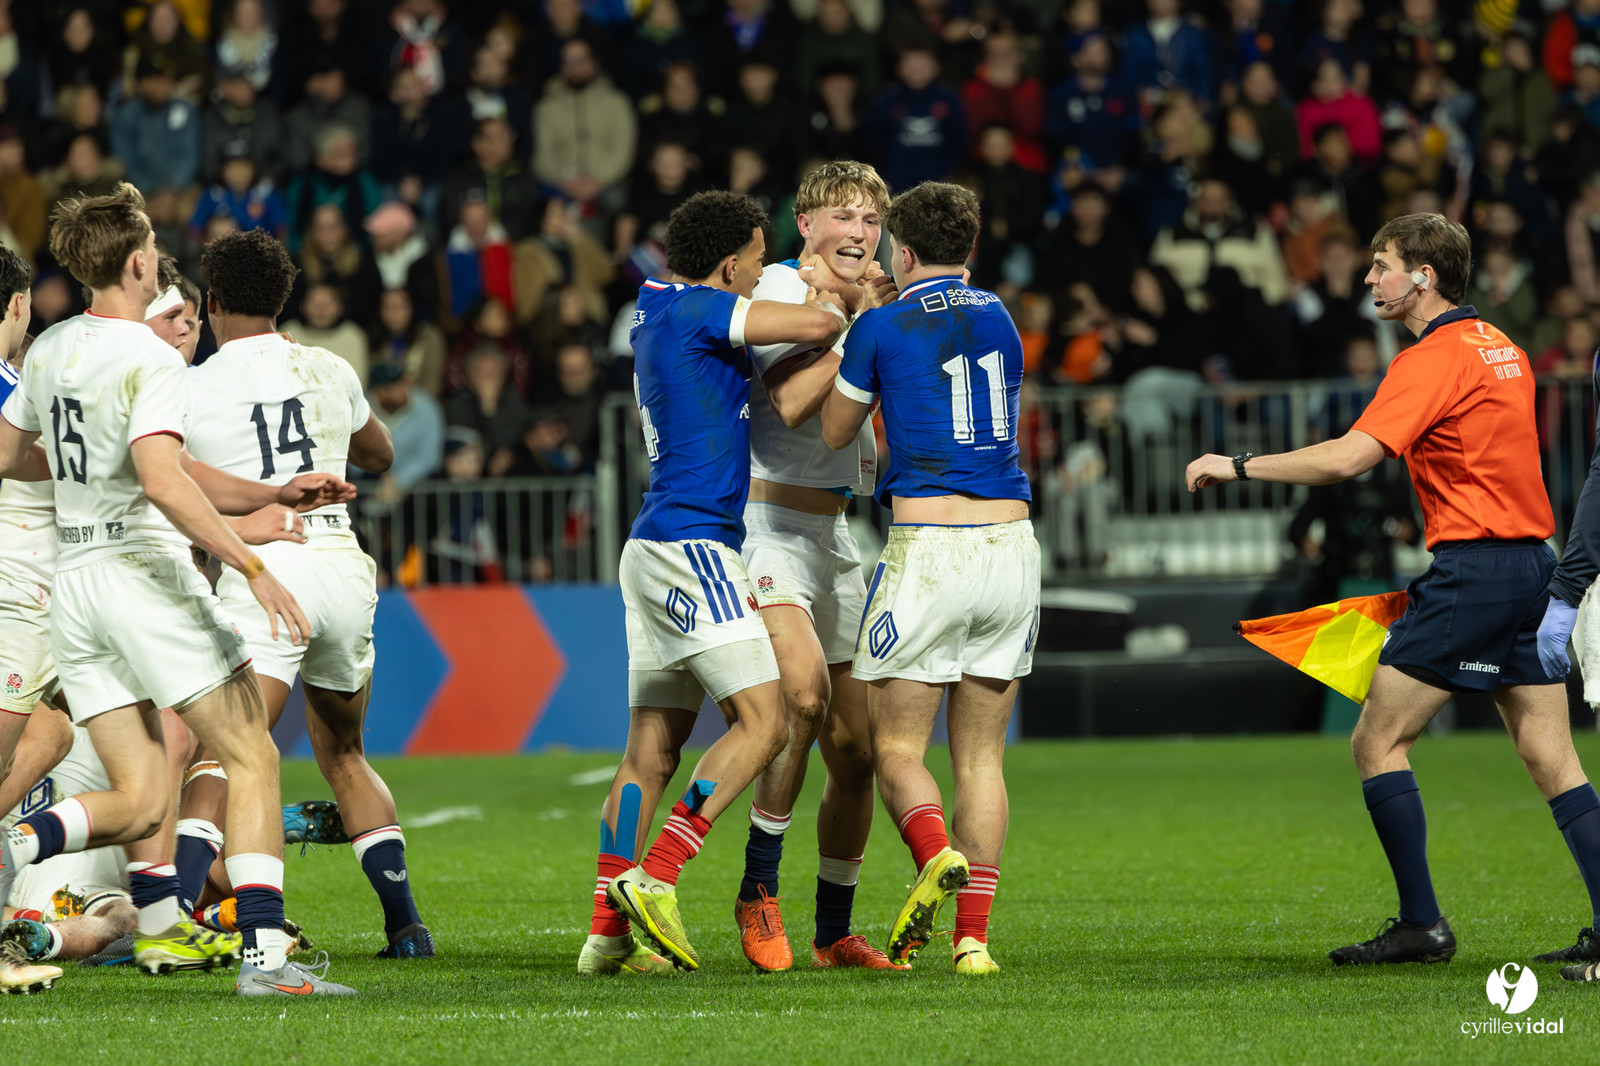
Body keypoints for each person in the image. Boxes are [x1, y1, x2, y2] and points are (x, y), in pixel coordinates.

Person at [1184, 212, 1600, 970]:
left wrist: (1238, 464)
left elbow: (1350, 459)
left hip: (1473, 571)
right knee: (1550, 753)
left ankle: (1422, 925)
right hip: (1530, 565)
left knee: (1377, 739)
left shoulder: (1432, 357)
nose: (1371, 278)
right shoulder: (1502, 347)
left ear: (1424, 278)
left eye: (1382, 265)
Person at [0, 183, 357, 996]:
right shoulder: (153, 357)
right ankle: (268, 962)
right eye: (154, 243)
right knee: (252, 754)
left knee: (139, 795)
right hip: (139, 573)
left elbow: (9, 454)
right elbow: (162, 480)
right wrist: (254, 563)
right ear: (136, 260)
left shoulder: (51, 348)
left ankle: (13, 848)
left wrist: (267, 495)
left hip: (76, 590)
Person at [580, 190, 846, 975]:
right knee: (765, 722)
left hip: (653, 542)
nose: (765, 276)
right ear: (731, 263)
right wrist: (836, 298)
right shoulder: (699, 308)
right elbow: (816, 325)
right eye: (762, 263)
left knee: (649, 753)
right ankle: (657, 879)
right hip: (694, 544)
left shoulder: (656, 306)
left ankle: (606, 932)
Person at [177, 227, 432, 960]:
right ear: (283, 298)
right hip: (339, 564)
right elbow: (378, 453)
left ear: (212, 300)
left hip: (267, 571)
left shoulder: (192, 385)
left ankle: (171, 922)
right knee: (346, 755)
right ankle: (406, 926)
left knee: (225, 751)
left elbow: (171, 476)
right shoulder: (328, 366)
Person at [819, 181, 1040, 974]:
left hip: (931, 548)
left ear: (901, 252)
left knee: (897, 747)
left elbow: (837, 429)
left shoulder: (880, 324)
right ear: (970, 246)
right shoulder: (1002, 316)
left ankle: (933, 852)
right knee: (981, 757)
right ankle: (973, 939)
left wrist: (859, 329)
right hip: (1012, 548)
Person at [732, 160, 904, 973]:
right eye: (844, 215)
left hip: (838, 536)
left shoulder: (869, 304)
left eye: (872, 219)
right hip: (766, 530)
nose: (860, 232)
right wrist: (860, 327)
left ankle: (833, 930)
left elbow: (871, 432)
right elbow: (799, 405)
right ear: (806, 224)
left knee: (859, 749)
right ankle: (757, 893)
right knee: (802, 697)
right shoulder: (774, 286)